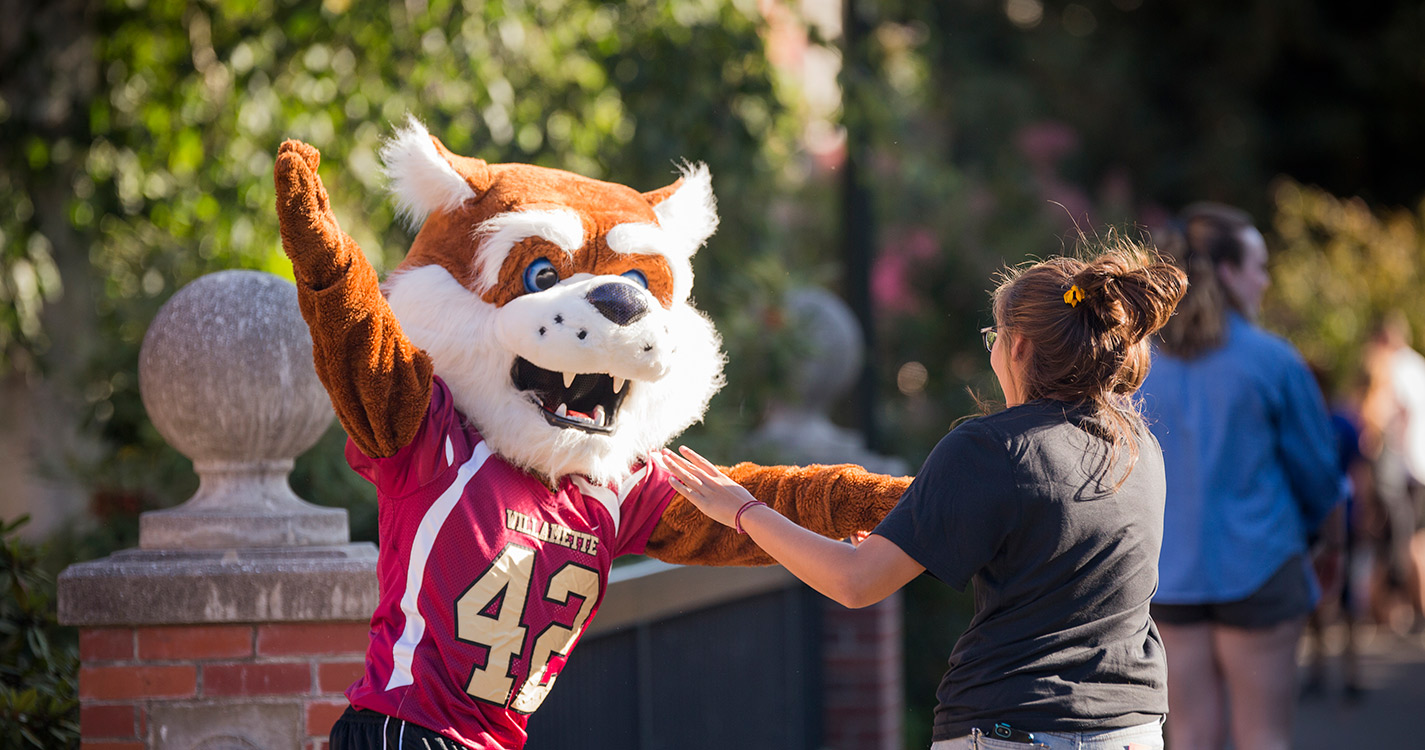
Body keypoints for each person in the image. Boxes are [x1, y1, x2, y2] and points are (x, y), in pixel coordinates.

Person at [661, 240, 1187, 750]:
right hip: (1131, 729)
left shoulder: (991, 448)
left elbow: (856, 582)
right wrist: (910, 528)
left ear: (1020, 345)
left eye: (995, 339)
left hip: (1011, 728)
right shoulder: (1139, 447)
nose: (995, 355)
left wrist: (744, 509)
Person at [1138, 202, 1344, 750]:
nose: (1266, 278)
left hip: (1168, 576)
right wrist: (1327, 539)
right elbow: (1320, 477)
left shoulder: (1137, 365)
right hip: (1262, 565)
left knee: (1191, 739)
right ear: (1227, 273)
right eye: (1259, 265)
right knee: (1264, 738)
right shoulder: (1273, 360)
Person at [1359, 312, 1425, 632]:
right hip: (1415, 468)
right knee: (1415, 541)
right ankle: (1409, 609)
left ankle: (1392, 612)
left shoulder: (1395, 367)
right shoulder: (1417, 365)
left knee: (1396, 543)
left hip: (1403, 468)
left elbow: (1384, 413)